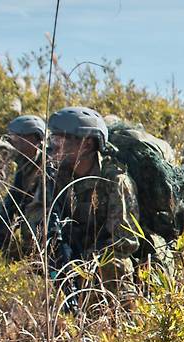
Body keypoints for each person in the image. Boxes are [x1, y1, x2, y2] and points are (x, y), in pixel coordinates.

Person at [25, 106, 140, 303]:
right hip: (67, 253)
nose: (54, 144)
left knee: (115, 265)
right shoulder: (53, 175)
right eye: (53, 137)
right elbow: (34, 215)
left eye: (62, 138)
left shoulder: (114, 180)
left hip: (100, 262)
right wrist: (49, 240)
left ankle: (114, 322)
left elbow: (125, 240)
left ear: (86, 145)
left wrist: (86, 261)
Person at [0, 115, 46, 257]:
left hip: (39, 210)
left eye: (18, 136)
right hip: (21, 205)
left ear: (34, 139)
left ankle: (32, 258)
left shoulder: (47, 163)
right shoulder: (17, 159)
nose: (13, 140)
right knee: (0, 210)